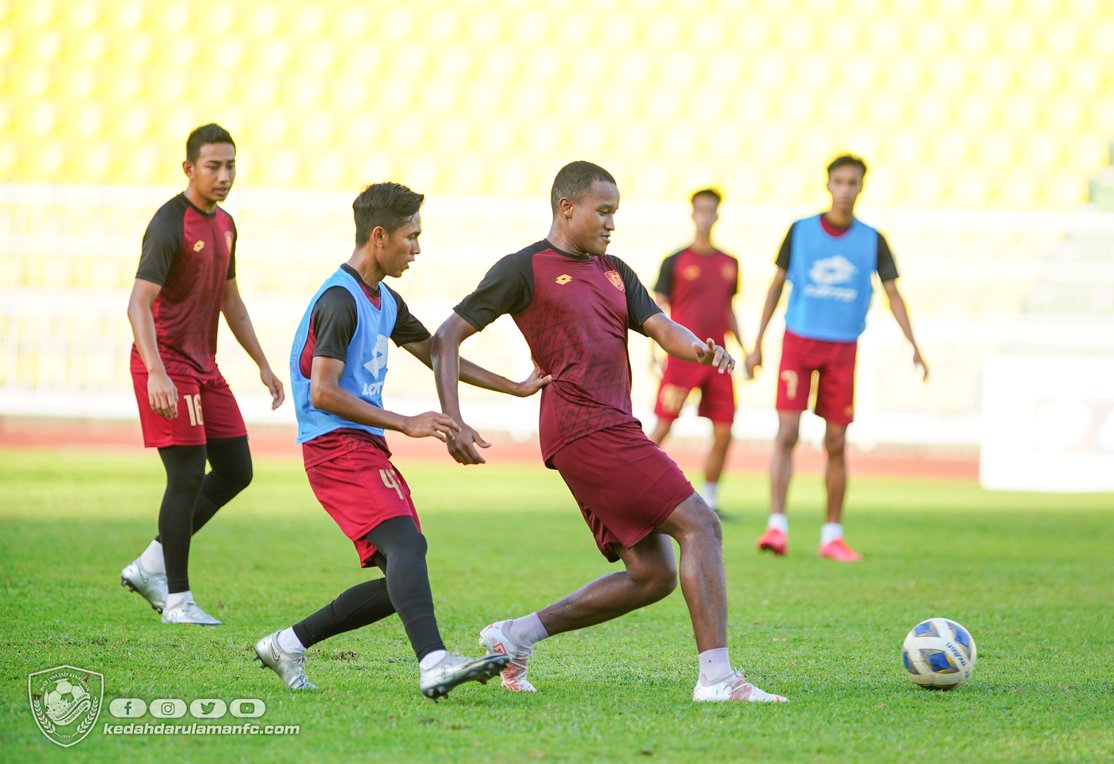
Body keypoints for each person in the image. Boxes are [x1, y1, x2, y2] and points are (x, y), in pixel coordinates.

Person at [431, 161, 787, 703]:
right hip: (583, 425)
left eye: (615, 213)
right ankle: (717, 679)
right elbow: (445, 339)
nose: (611, 223)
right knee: (701, 525)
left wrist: (698, 347)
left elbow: (661, 327)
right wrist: (456, 417)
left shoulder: (614, 268)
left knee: (653, 575)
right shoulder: (522, 267)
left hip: (610, 424)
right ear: (566, 208)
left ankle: (515, 635)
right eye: (603, 211)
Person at [254, 182, 548, 700]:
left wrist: (515, 387)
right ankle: (434, 662)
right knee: (407, 548)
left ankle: (288, 643)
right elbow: (322, 392)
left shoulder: (383, 299)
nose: (417, 248)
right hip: (334, 448)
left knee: (401, 576)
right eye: (411, 237)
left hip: (360, 446)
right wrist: (405, 421)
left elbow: (439, 352)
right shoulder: (340, 301)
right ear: (379, 236)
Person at [121, 123, 285, 625]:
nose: (224, 175)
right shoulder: (171, 224)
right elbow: (138, 305)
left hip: (205, 369)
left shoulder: (227, 224)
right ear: (189, 168)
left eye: (230, 165)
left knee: (237, 470)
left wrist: (262, 362)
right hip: (167, 366)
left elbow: (230, 301)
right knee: (188, 476)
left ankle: (152, 563)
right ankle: (177, 599)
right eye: (213, 166)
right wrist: (156, 373)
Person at [745, 154, 928, 561]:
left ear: (862, 187)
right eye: (839, 182)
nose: (845, 190)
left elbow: (893, 292)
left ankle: (832, 534)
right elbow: (776, 286)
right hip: (798, 342)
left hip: (842, 348)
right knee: (787, 433)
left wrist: (913, 344)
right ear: (828, 185)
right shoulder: (800, 231)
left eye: (853, 183)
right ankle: (777, 526)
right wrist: (757, 341)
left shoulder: (872, 239)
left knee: (836, 440)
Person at [648, 188, 742, 513]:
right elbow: (657, 310)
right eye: (700, 210)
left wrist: (745, 348)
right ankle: (637, 487)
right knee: (662, 424)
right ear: (692, 214)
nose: (705, 216)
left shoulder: (730, 263)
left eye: (710, 210)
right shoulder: (674, 261)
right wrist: (653, 351)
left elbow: (727, 309)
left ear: (717, 215)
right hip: (682, 357)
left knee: (725, 429)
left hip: (718, 360)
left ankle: (711, 499)